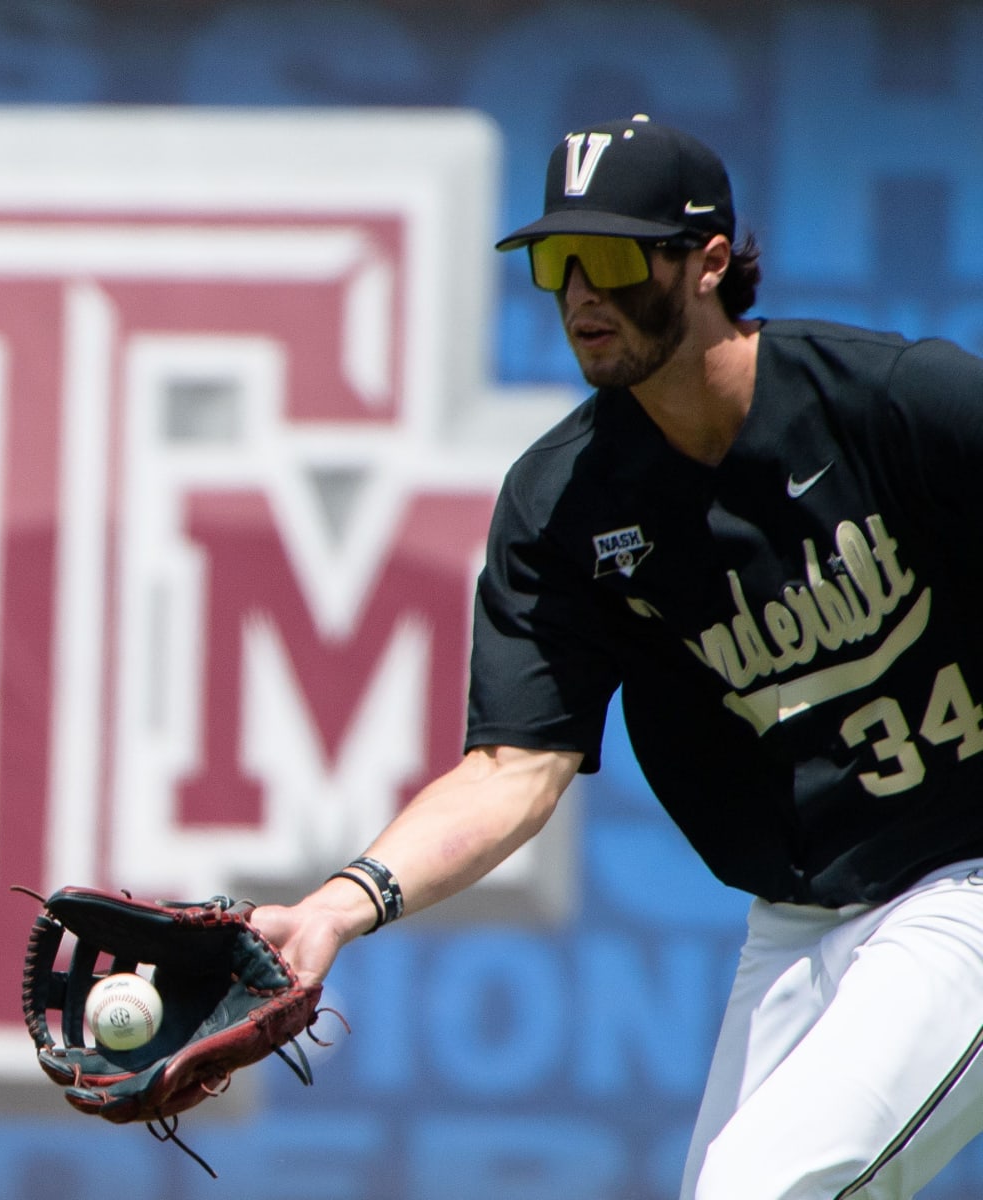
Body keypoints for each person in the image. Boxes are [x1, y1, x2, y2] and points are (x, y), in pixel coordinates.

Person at [250, 114, 983, 1199]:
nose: (578, 292)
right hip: (799, 919)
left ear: (709, 262)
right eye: (554, 261)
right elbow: (514, 769)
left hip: (963, 876)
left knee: (760, 1190)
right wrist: (335, 907)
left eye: (611, 257)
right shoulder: (564, 504)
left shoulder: (894, 404)